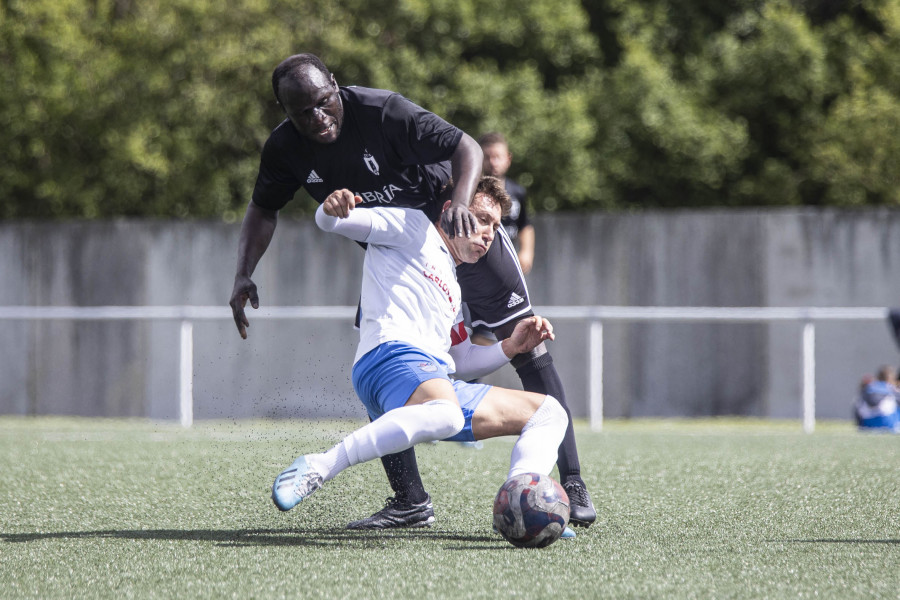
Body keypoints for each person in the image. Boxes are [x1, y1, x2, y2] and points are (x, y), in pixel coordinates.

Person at [229, 53, 595, 530]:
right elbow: (270, 209)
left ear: (335, 88)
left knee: (530, 351)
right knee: (388, 345)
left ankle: (565, 486)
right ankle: (406, 498)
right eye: (303, 113)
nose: (318, 118)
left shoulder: (383, 112)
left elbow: (467, 147)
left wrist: (465, 214)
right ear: (285, 111)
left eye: (324, 104)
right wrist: (243, 272)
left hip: (455, 229)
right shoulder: (289, 152)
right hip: (402, 244)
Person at [271, 179, 570, 537]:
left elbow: (460, 359)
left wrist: (511, 347)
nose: (490, 233)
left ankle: (525, 507)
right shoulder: (412, 226)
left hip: (433, 378)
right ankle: (320, 466)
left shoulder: (453, 287)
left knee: (549, 413)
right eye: (481, 218)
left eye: (495, 224)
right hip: (386, 359)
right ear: (450, 210)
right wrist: (330, 206)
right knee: (445, 413)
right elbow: (331, 222)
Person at [478, 132, 535, 274]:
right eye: (487, 157)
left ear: (508, 159)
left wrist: (526, 252)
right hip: (478, 261)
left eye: (497, 157)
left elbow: (525, 225)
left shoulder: (517, 192)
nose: (492, 162)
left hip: (506, 263)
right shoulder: (473, 191)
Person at [853, 366, 900, 432]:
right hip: (887, 424)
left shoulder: (869, 387)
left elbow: (857, 408)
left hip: (866, 424)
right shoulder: (890, 388)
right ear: (891, 378)